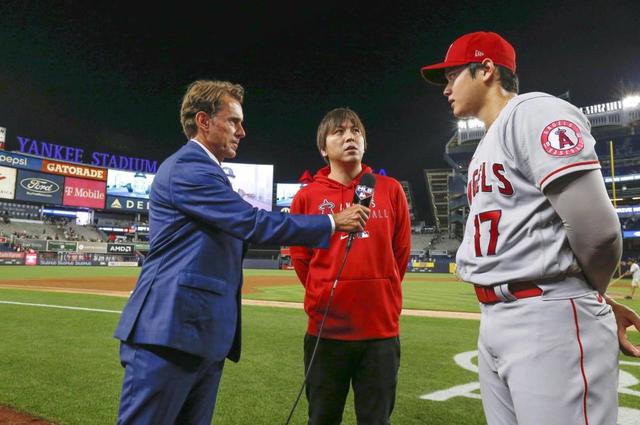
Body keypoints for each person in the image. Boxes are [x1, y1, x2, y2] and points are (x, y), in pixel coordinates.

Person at [113, 80, 370, 425]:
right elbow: (253, 223)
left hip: (198, 335)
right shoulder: (189, 168)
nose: (242, 131)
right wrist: (330, 222)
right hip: (169, 332)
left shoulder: (209, 172)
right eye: (233, 121)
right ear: (203, 121)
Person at [420, 31, 640, 425]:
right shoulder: (486, 144)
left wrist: (587, 298)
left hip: (546, 322)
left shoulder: (534, 112)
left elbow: (601, 231)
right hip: (498, 319)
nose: (446, 88)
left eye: (452, 75)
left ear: (486, 69)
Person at [290, 108, 411, 424]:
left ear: (365, 141)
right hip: (327, 332)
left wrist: (380, 287)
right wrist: (325, 290)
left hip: (380, 333)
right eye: (339, 131)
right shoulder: (307, 197)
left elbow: (401, 255)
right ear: (323, 147)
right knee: (321, 418)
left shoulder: (390, 189)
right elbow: (302, 260)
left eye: (356, 130)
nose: (349, 137)